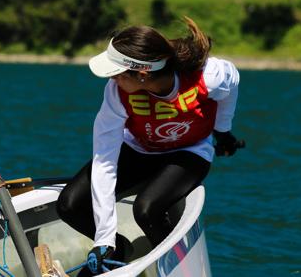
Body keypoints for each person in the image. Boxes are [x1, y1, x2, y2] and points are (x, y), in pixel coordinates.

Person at [57, 16, 241, 275]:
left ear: (142, 74)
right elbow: (105, 160)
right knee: (69, 204)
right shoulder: (116, 93)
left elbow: (232, 85)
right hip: (139, 151)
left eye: (117, 74)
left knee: (146, 210)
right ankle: (117, 251)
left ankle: (178, 266)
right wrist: (104, 239)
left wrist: (223, 132)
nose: (113, 81)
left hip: (189, 153)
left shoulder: (209, 76)